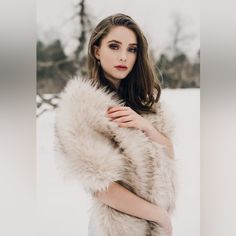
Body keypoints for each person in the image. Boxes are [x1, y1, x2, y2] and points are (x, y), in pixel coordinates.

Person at [54, 13, 177, 236]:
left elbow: (169, 154)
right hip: (116, 228)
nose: (124, 57)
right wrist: (160, 216)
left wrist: (146, 127)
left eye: (132, 49)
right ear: (96, 50)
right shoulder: (82, 106)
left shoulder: (145, 104)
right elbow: (101, 187)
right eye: (114, 46)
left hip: (154, 226)